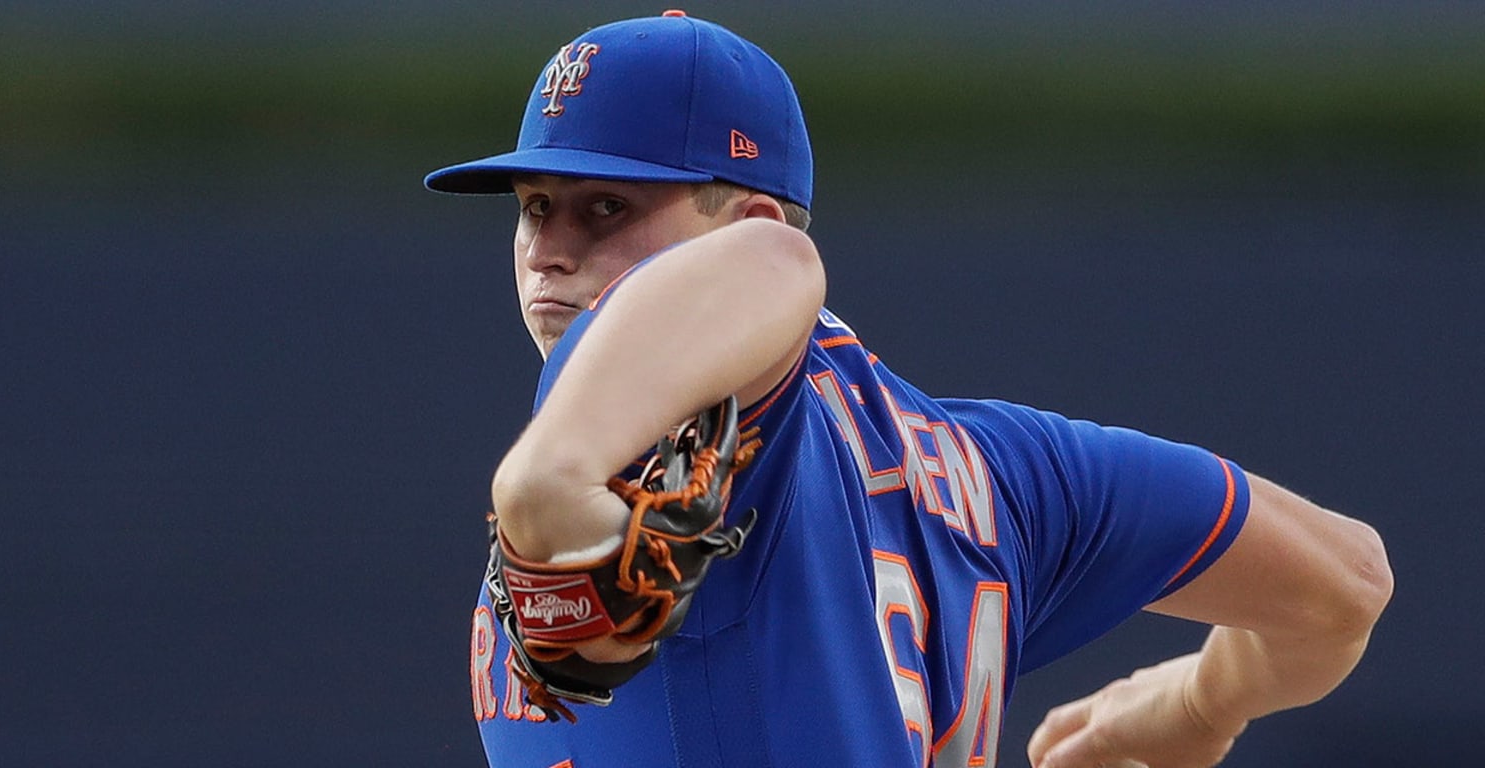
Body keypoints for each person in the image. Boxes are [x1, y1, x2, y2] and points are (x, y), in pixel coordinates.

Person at [426, 10, 1393, 768]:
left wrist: (552, 472)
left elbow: (772, 269)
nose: (549, 250)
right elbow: (1344, 585)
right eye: (536, 207)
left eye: (607, 207)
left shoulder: (712, 426)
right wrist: (1199, 705)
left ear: (749, 220)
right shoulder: (996, 476)